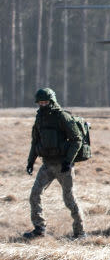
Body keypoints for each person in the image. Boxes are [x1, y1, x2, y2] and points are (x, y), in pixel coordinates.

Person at [25, 87, 86, 239]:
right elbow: (35, 142)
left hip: (63, 165)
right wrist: (30, 162)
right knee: (34, 195)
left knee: (69, 199)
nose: (43, 105)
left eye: (46, 102)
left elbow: (76, 140)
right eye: (40, 102)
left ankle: (80, 232)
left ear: (52, 101)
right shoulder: (39, 118)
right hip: (47, 165)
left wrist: (68, 161)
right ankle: (39, 229)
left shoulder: (62, 117)